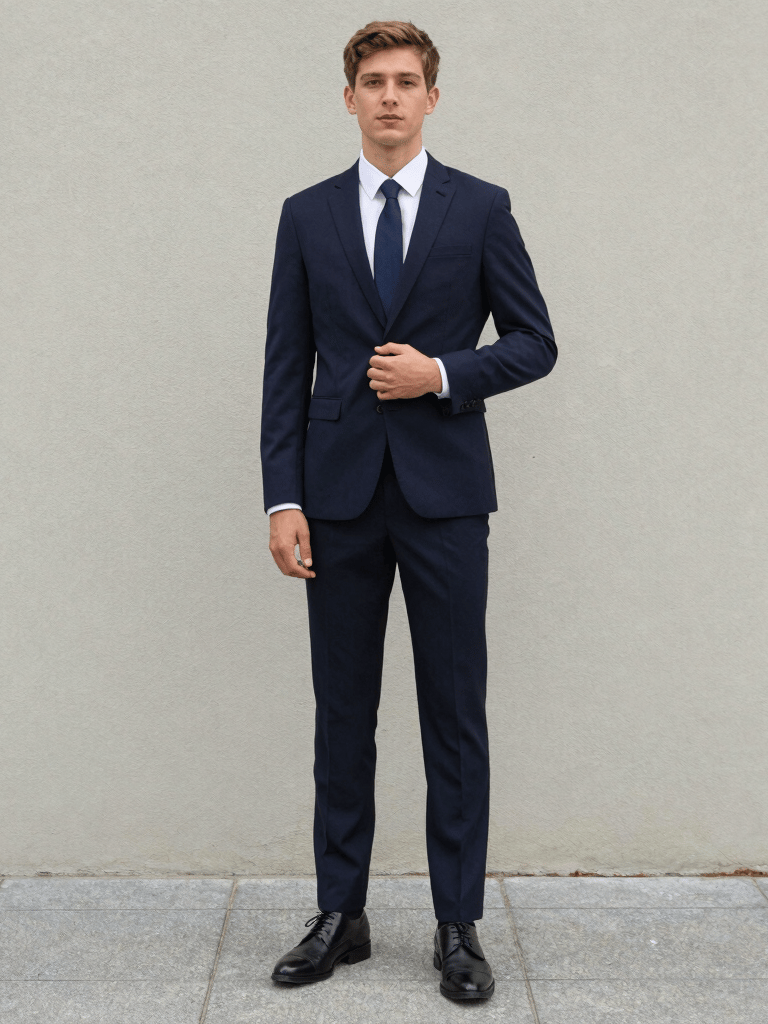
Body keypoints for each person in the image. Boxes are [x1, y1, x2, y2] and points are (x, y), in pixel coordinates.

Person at [260, 20, 556, 1001]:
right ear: (348, 99)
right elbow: (283, 369)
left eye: (407, 81)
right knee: (342, 714)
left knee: (452, 714)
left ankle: (457, 922)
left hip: (443, 499)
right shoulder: (306, 217)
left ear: (433, 97)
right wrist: (284, 496)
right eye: (373, 82)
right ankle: (339, 912)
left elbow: (534, 341)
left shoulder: (480, 210)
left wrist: (442, 372)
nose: (389, 97)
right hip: (337, 500)